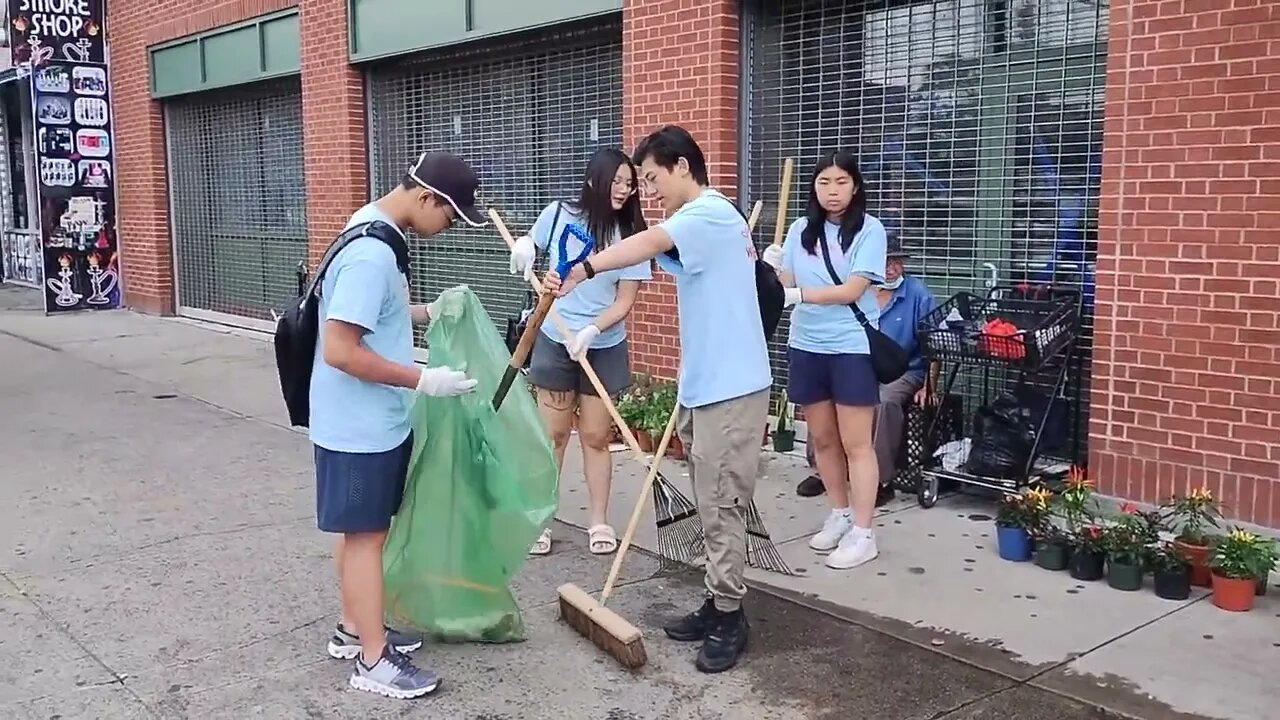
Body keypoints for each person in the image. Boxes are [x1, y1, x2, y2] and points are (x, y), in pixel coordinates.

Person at [545, 125, 772, 674]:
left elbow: (646, 243)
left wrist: (585, 267)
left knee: (720, 503)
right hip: (707, 384)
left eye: (651, 178)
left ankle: (730, 615)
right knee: (712, 501)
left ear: (681, 167)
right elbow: (655, 250)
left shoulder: (709, 215)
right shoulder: (704, 223)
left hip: (731, 388)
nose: (648, 191)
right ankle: (718, 600)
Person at [310, 151, 486, 699]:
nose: (449, 228)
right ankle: (372, 661)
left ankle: (353, 627)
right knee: (366, 538)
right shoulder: (372, 255)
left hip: (364, 420)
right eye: (451, 216)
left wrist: (424, 312)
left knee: (359, 531)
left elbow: (371, 314)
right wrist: (421, 380)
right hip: (358, 425)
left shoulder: (370, 228)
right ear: (426, 198)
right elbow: (340, 348)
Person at [507, 148, 651, 556]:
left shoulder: (632, 235)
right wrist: (524, 247)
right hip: (554, 336)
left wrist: (592, 329)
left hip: (602, 345)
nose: (624, 190)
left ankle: (599, 521)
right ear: (594, 181)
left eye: (630, 182)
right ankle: (540, 520)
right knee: (551, 436)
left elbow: (624, 303)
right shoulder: (558, 214)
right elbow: (531, 246)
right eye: (617, 181)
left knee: (595, 436)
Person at [760, 150, 886, 571]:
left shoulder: (870, 230)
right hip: (807, 344)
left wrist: (796, 295)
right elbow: (787, 282)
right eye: (824, 183)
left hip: (851, 346)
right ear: (814, 188)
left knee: (857, 444)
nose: (833, 191)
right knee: (823, 440)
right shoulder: (800, 229)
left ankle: (864, 533)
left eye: (842, 182)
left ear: (855, 185)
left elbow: (852, 290)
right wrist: (771, 269)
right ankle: (840, 513)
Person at [793, 237, 938, 500]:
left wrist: (930, 384)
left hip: (902, 368)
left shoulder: (917, 294)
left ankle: (881, 481)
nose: (892, 269)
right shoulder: (854, 288)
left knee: (884, 403)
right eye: (886, 262)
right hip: (856, 362)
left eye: (897, 262)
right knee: (828, 397)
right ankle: (822, 472)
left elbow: (935, 342)